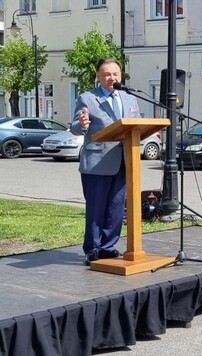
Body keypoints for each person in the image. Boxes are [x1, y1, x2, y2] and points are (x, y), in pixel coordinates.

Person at [70, 58, 141, 266]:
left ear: (121, 76)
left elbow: (135, 124)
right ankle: (92, 248)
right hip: (97, 161)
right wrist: (82, 124)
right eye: (107, 74)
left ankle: (108, 246)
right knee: (96, 208)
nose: (112, 78)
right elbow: (75, 126)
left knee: (116, 207)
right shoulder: (87, 98)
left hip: (124, 160)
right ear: (99, 77)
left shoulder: (129, 98)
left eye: (115, 74)